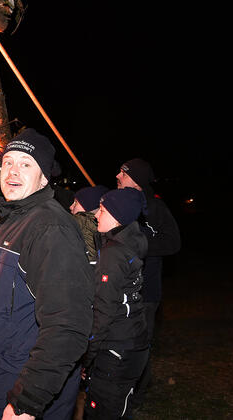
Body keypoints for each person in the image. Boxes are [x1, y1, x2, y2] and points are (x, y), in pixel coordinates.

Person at [0, 128, 95, 420]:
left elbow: (67, 328)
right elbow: (2, 267)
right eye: (8, 162)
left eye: (25, 164)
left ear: (44, 177)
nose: (12, 171)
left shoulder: (51, 229)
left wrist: (27, 402)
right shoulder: (15, 219)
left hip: (17, 386)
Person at [115, 158, 181, 413]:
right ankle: (117, 388)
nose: (117, 176)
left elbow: (173, 243)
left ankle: (137, 393)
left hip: (146, 292)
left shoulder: (155, 208)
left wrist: (139, 246)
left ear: (136, 179)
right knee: (118, 342)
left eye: (122, 172)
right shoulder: (118, 203)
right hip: (117, 289)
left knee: (138, 344)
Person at [82, 187, 149, 420]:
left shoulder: (113, 255)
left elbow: (103, 313)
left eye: (102, 210)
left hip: (116, 350)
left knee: (102, 412)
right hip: (131, 344)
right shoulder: (130, 243)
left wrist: (86, 357)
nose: (96, 215)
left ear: (117, 217)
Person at [70, 185, 110, 264]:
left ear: (89, 208)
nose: (71, 207)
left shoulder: (78, 222)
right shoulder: (108, 233)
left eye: (76, 203)